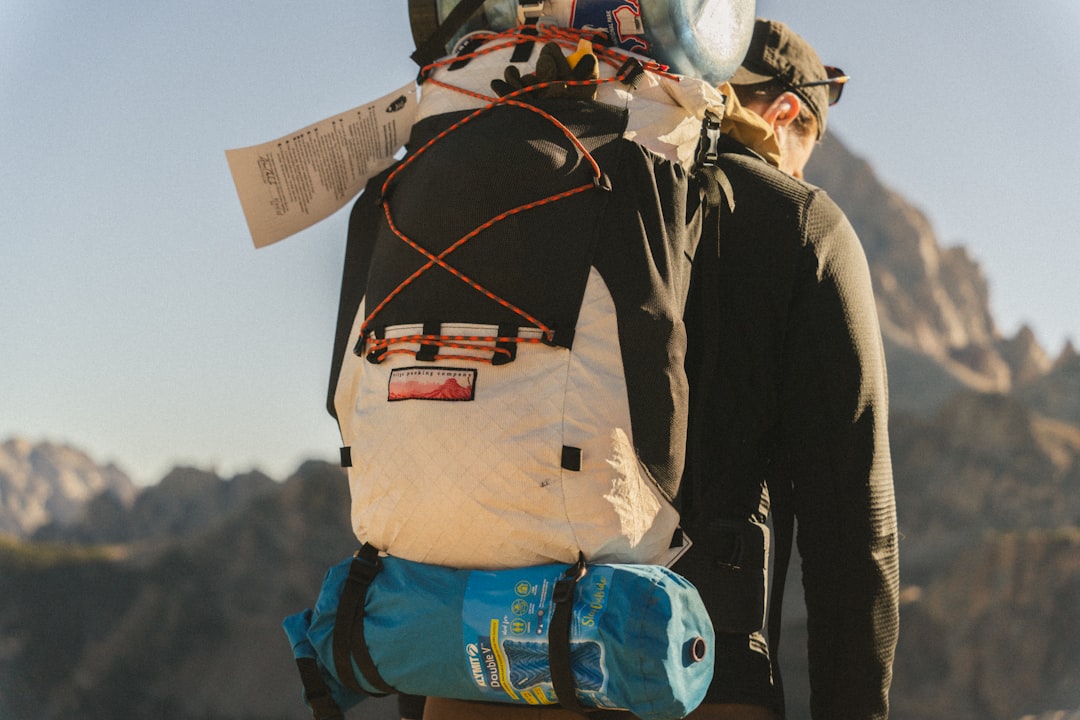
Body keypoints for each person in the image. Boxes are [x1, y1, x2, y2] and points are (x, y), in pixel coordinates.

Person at [673, 18, 899, 720]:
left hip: (482, 657)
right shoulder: (800, 224)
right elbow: (856, 533)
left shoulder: (578, 179)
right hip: (692, 676)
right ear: (783, 113)